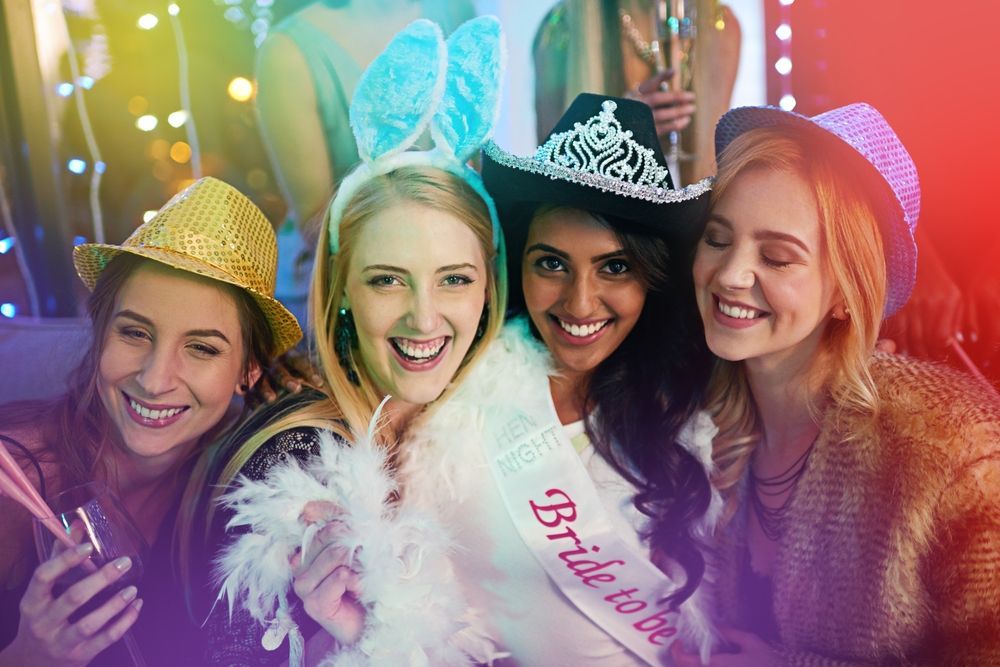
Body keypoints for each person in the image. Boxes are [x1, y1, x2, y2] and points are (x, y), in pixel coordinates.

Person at [205, 17, 508, 666]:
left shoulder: (514, 421)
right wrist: (358, 635)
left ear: (489, 288)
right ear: (341, 288)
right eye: (387, 281)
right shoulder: (287, 463)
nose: (424, 318)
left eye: (454, 279)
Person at [390, 93, 721, 664]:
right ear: (517, 263)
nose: (580, 301)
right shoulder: (448, 395)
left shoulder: (691, 410)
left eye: (615, 267)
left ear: (653, 279)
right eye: (551, 263)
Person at [674, 103, 1000, 666]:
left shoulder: (952, 451)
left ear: (848, 291)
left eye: (777, 258)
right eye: (718, 239)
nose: (729, 275)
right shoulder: (691, 417)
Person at [0, 177, 302, 667]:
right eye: (136, 333)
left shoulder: (241, 468)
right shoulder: (16, 481)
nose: (155, 379)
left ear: (249, 371)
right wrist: (25, 656)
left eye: (202, 348)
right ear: (101, 335)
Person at [255, 0, 475, 325]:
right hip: (339, 279)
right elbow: (317, 220)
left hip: (445, 271)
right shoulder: (287, 52)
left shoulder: (455, 14)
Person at [533, 0, 741, 184]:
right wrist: (612, 134)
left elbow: (715, 169)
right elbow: (547, 178)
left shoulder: (720, 28)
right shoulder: (561, 31)